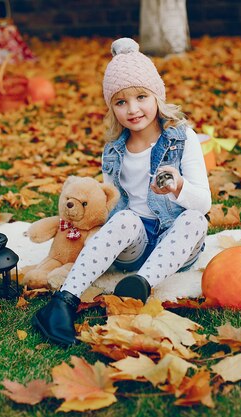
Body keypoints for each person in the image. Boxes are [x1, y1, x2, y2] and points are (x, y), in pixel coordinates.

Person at [32, 38, 212, 346]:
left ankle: (140, 285)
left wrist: (177, 185)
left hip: (174, 243)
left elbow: (203, 202)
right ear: (111, 108)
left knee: (197, 221)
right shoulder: (113, 151)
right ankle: (63, 303)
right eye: (120, 102)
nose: (133, 109)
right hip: (133, 244)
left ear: (156, 95)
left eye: (141, 96)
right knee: (126, 218)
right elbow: (108, 209)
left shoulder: (183, 139)